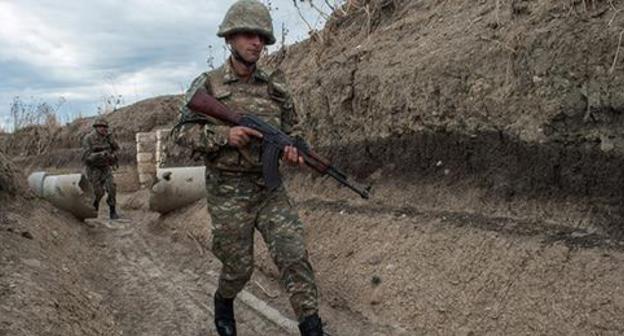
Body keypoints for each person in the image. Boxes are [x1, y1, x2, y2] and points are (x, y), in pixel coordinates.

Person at [172, 1, 324, 335]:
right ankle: (224, 302)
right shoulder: (208, 85)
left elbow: (293, 132)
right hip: (227, 191)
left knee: (293, 254)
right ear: (230, 38)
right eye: (247, 34)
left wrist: (293, 151)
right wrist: (224, 136)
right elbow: (181, 134)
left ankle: (312, 326)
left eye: (261, 36)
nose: (256, 42)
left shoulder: (276, 86)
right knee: (239, 268)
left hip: (269, 190)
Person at [81, 117, 120, 220]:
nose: (104, 129)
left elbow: (117, 149)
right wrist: (100, 155)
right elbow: (86, 157)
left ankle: (112, 211)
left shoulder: (108, 138)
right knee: (97, 192)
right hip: (93, 169)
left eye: (105, 127)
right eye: (101, 127)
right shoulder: (88, 139)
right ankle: (94, 209)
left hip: (106, 167)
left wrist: (113, 156)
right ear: (96, 128)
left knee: (112, 188)